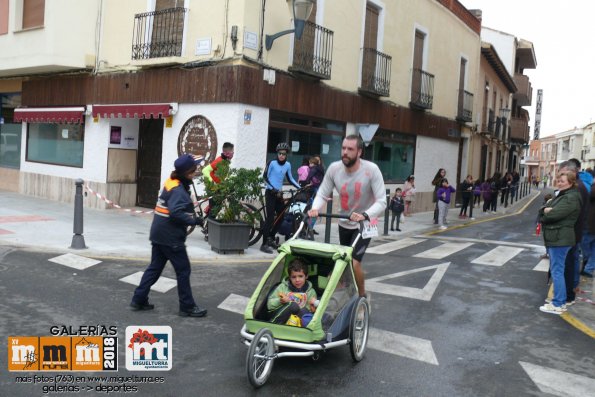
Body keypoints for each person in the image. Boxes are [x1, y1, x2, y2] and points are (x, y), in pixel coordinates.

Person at [308, 135, 386, 298]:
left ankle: (362, 296)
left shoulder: (371, 170)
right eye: (343, 148)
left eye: (350, 149)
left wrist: (365, 215)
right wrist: (315, 208)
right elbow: (322, 193)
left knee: (353, 262)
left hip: (365, 224)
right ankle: (345, 291)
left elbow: (382, 201)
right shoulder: (334, 169)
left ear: (359, 152)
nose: (345, 152)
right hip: (344, 222)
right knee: (343, 262)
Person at [130, 154, 207, 318]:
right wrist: (194, 220)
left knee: (155, 268)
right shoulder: (178, 190)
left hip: (158, 233)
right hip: (170, 237)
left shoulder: (171, 182)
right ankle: (187, 306)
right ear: (187, 173)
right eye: (194, 171)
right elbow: (176, 212)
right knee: (183, 270)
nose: (196, 173)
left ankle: (138, 299)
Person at [538, 171, 581, 314]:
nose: (559, 182)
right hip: (558, 237)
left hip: (560, 238)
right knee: (558, 270)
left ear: (570, 182)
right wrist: (546, 209)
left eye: (562, 180)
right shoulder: (564, 195)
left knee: (557, 271)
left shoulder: (570, 197)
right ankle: (560, 301)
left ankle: (558, 303)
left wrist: (546, 211)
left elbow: (554, 215)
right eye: (558, 180)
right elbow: (545, 210)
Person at [261, 142, 301, 253]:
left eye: (283, 154)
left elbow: (290, 179)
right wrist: (272, 188)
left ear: (286, 155)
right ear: (277, 153)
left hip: (279, 194)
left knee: (281, 216)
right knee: (270, 218)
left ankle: (271, 237)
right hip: (270, 193)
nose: (281, 155)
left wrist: (300, 187)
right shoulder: (272, 163)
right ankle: (263, 244)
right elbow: (264, 178)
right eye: (279, 153)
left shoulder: (288, 165)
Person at [267, 258, 317, 325]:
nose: (297, 280)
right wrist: (280, 301)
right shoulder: (283, 287)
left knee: (304, 310)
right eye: (294, 277)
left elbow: (310, 313)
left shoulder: (311, 292)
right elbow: (269, 305)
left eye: (300, 276)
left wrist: (313, 309)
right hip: (281, 319)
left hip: (298, 322)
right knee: (293, 306)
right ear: (290, 277)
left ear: (306, 276)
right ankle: (272, 325)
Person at [202, 142, 234, 219]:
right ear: (228, 153)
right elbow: (205, 170)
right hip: (213, 188)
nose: (233, 153)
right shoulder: (219, 161)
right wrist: (213, 183)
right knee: (214, 210)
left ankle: (207, 222)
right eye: (232, 151)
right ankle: (208, 228)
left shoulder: (225, 161)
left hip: (218, 188)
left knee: (216, 208)